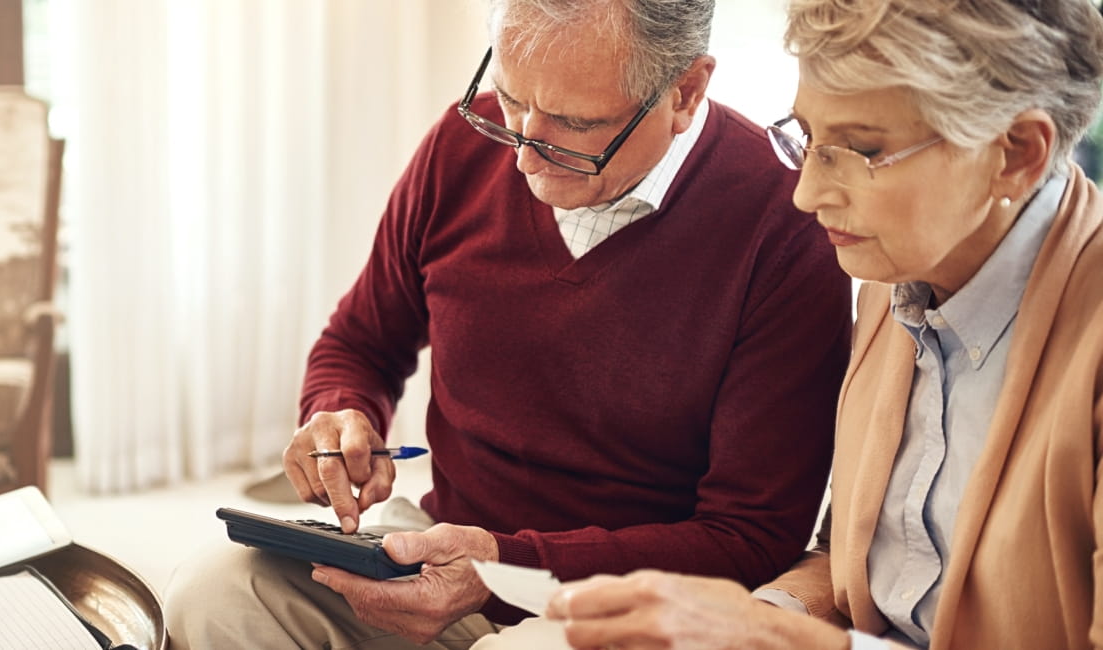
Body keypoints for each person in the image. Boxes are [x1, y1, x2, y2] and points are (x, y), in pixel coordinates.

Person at [164, 0, 852, 647]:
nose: (522, 153)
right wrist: (339, 414)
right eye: (513, 100)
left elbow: (749, 535)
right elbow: (360, 342)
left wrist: (504, 560)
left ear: (685, 92)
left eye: (574, 127)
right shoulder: (464, 146)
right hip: (443, 544)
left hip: (624, 599)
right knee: (212, 593)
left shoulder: (786, 221)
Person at [471, 0, 1103, 648]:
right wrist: (761, 617)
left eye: (859, 149)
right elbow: (855, 566)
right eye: (806, 137)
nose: (806, 194)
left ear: (1018, 153)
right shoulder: (898, 290)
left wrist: (776, 639)